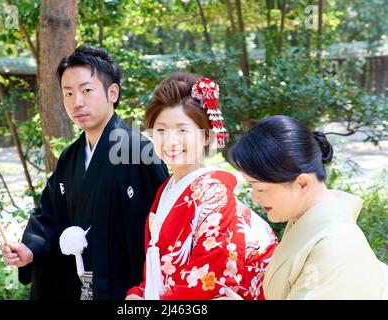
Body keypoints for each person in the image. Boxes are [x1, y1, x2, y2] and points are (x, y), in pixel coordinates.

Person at [1, 45, 168, 300]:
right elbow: (48, 216)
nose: (76, 102)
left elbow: (161, 229)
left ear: (113, 92)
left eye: (86, 91)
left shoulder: (138, 150)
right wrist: (30, 250)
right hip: (78, 287)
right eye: (68, 93)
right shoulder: (70, 157)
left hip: (126, 289)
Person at [126, 72, 278, 300]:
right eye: (161, 130)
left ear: (207, 136)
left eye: (182, 130)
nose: (170, 141)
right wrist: (139, 293)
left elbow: (207, 281)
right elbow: (160, 264)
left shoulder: (216, 194)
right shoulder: (168, 188)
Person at [227, 115, 387, 299]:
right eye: (251, 187)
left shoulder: (336, 245)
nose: (255, 197)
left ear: (302, 184)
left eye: (261, 188)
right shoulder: (306, 222)